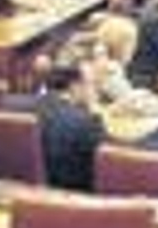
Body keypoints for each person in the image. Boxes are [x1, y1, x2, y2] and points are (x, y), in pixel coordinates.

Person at [31, 63, 109, 192]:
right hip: (74, 197)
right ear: (75, 86)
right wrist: (94, 110)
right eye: (94, 84)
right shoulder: (86, 123)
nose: (97, 91)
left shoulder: (15, 105)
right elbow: (112, 160)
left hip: (24, 192)